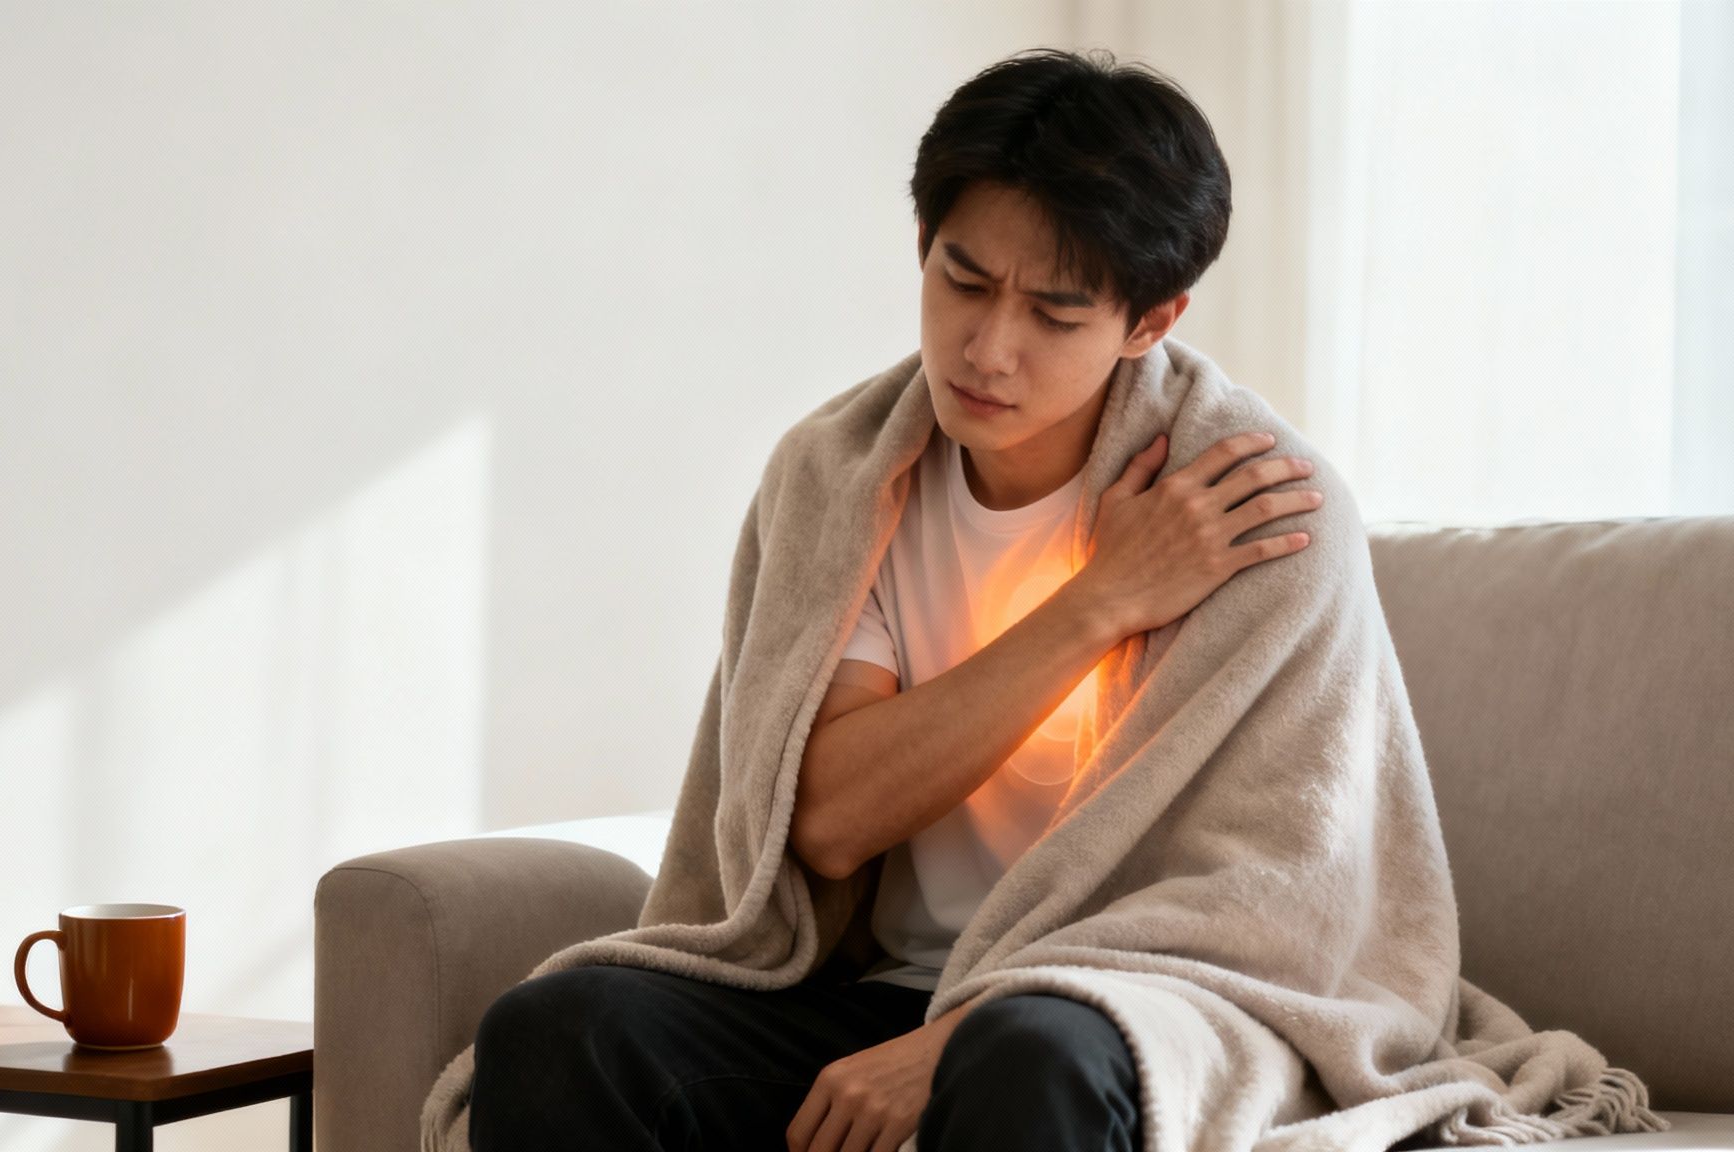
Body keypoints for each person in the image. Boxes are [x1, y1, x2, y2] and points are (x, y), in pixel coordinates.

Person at [467, 46, 1324, 1152]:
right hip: (887, 989)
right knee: (560, 1032)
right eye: (963, 281)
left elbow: (1270, 903)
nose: (988, 349)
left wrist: (963, 1033)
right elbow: (826, 822)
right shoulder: (843, 478)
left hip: (1138, 1006)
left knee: (1023, 1058)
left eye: (1054, 315)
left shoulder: (1252, 510)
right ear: (923, 242)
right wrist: (1101, 601)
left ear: (1151, 322)